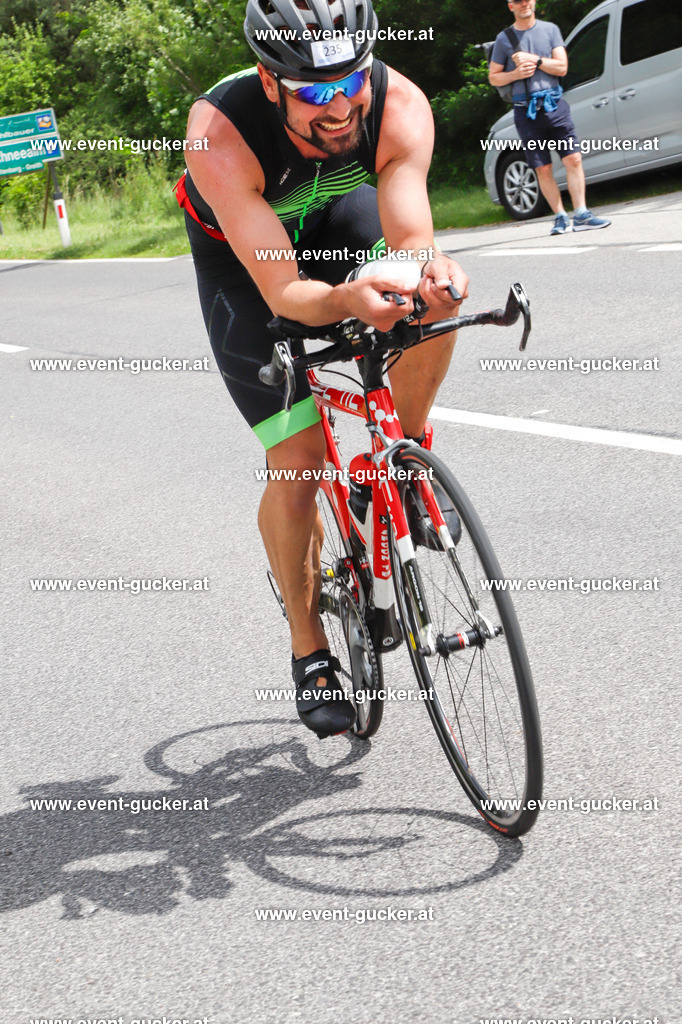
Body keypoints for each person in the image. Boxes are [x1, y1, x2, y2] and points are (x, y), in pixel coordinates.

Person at [177, 0, 468, 739]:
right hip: (249, 269)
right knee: (300, 458)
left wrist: (421, 277)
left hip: (340, 221)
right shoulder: (220, 133)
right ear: (270, 84)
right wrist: (345, 299)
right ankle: (309, 648)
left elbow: (410, 238)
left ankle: (401, 458)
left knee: (428, 303)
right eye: (312, 91)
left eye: (350, 82)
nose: (338, 107)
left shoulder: (399, 105)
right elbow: (284, 292)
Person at [489, 0, 611, 234]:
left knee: (573, 159)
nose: (524, 4)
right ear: (510, 6)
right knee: (542, 168)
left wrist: (535, 60)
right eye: (517, 1)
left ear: (534, 1)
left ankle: (582, 214)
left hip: (555, 106)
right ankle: (560, 216)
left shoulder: (550, 30)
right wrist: (515, 74)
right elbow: (494, 77)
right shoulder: (504, 39)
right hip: (526, 111)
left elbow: (562, 67)